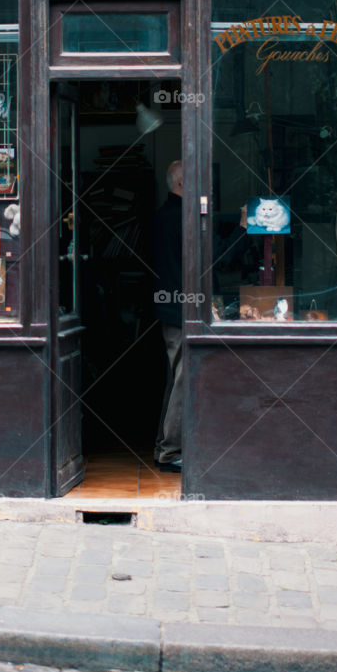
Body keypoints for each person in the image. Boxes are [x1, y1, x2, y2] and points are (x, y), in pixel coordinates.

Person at [153, 160, 183, 472]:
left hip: (173, 306)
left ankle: (164, 448)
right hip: (181, 307)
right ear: (182, 184)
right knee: (184, 380)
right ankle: (171, 451)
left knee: (176, 379)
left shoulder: (165, 214)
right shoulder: (179, 217)